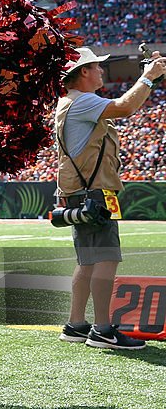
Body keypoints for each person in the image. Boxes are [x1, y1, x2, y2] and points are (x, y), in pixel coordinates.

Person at [56, 46, 166, 350]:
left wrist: (150, 79)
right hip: (95, 192)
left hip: (82, 191)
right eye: (96, 66)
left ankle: (76, 325)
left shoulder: (71, 102)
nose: (101, 71)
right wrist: (148, 77)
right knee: (106, 258)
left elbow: (125, 104)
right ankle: (103, 330)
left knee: (88, 261)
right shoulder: (83, 102)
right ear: (83, 73)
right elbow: (124, 107)